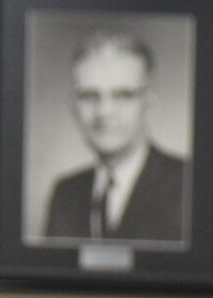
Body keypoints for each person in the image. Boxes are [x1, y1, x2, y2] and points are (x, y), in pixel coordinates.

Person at [38, 30, 190, 244]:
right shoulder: (66, 193)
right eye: (89, 96)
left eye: (122, 96)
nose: (104, 112)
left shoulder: (189, 185)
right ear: (72, 106)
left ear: (148, 103)